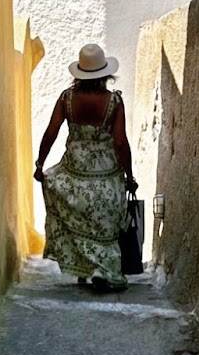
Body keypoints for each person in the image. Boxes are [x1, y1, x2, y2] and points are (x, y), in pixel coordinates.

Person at [34, 42, 137, 293]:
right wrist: (130, 175)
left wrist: (40, 164)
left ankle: (85, 266)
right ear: (105, 73)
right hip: (106, 175)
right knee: (105, 225)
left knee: (77, 217)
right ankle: (104, 269)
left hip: (74, 173)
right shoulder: (114, 102)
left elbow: (51, 132)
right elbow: (120, 142)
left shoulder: (67, 99)